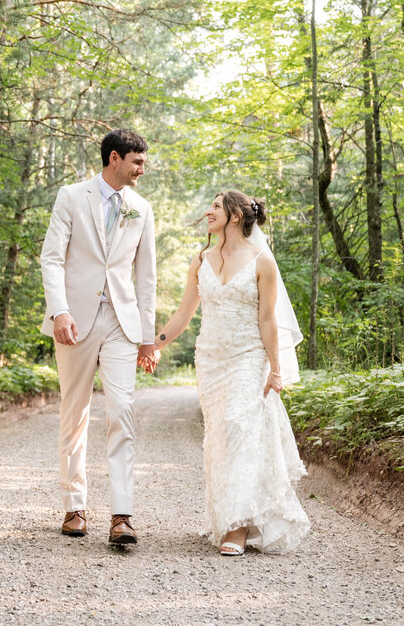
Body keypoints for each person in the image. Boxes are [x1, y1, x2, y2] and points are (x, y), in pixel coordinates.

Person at [153, 190, 310, 555]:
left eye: (215, 206)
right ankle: (229, 515)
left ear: (235, 215)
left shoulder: (261, 261)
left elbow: (268, 318)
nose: (207, 211)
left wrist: (275, 368)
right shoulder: (200, 260)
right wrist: (154, 344)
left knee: (240, 427)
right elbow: (183, 315)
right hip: (210, 361)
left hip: (248, 357)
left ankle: (237, 529)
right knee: (221, 437)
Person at [39, 129, 158, 546]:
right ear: (114, 158)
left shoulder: (142, 208)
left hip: (122, 322)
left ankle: (122, 515)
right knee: (75, 414)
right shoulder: (71, 197)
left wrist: (148, 338)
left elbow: (146, 277)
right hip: (75, 321)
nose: (142, 169)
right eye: (137, 162)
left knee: (122, 409)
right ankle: (75, 506)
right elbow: (52, 258)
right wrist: (60, 311)